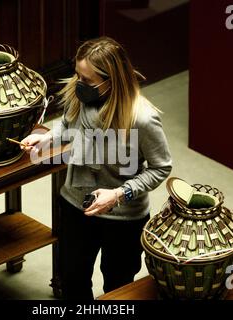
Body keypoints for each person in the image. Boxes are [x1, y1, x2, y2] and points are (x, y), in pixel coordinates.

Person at [20, 36, 172, 300]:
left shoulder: (142, 118)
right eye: (78, 75)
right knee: (72, 281)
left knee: (117, 288)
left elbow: (160, 168)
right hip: (75, 206)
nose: (80, 84)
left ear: (111, 80)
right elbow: (69, 126)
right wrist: (48, 138)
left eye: (88, 80)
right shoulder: (78, 94)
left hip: (123, 218)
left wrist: (119, 194)